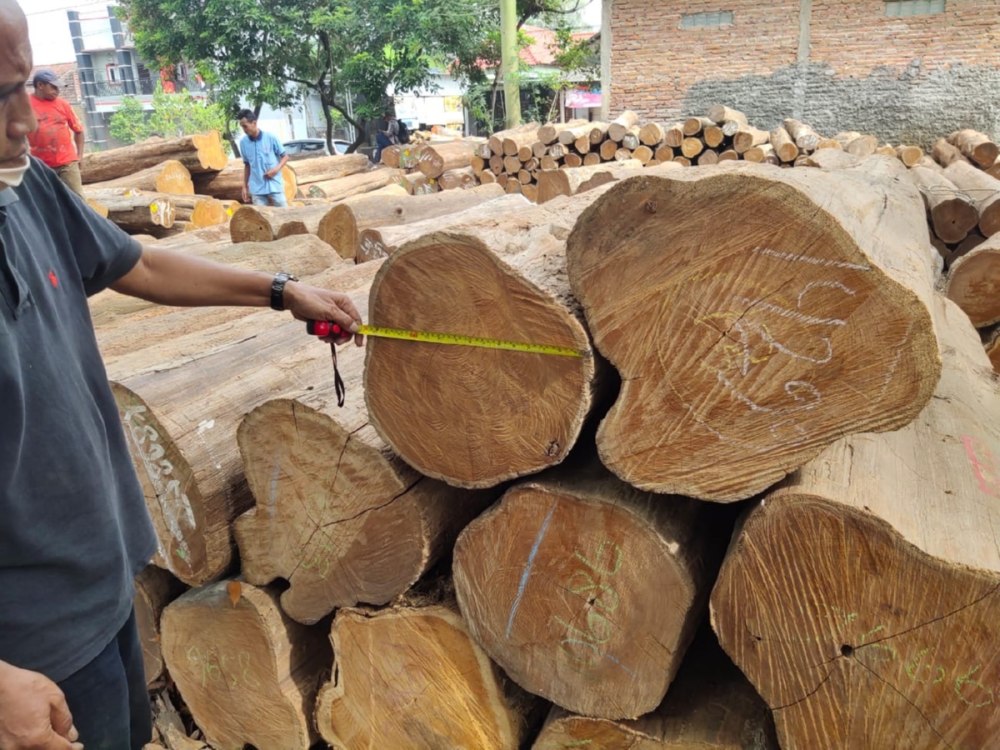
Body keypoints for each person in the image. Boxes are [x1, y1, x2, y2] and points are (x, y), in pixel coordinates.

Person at [0, 2, 363, 748]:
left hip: (102, 580)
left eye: (25, 87)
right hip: (27, 645)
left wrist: (280, 290)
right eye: (1, 96)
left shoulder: (25, 188)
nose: (28, 121)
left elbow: (138, 265)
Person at [26, 68, 85, 196]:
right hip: (40, 166)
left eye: (58, 87)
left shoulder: (63, 105)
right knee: (47, 201)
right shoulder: (24, 106)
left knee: (77, 199)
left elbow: (79, 131)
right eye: (53, 87)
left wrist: (79, 156)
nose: (57, 91)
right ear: (40, 85)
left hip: (67, 163)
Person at [237, 108, 289, 207]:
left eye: (245, 126)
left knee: (284, 213)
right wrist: (244, 186)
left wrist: (275, 170)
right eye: (242, 127)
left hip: (275, 185)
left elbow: (285, 157)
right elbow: (247, 165)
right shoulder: (243, 143)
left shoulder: (271, 138)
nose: (244, 130)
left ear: (254, 123)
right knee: (261, 216)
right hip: (257, 189)